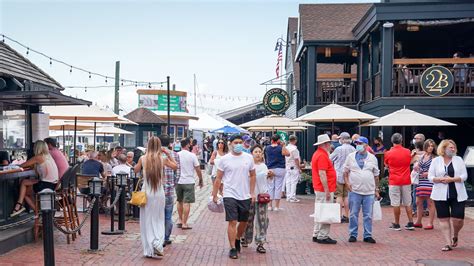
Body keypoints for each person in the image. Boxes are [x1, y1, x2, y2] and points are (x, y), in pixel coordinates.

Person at [212, 134, 256, 259]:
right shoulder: (224, 159)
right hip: (229, 194)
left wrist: (252, 192)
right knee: (232, 221)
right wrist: (215, 194)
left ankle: (237, 238)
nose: (238, 145)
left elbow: (253, 175)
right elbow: (218, 177)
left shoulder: (248, 158)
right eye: (235, 142)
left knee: (244, 221)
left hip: (245, 194)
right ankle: (232, 248)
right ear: (230, 144)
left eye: (240, 142)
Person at [134, 136, 177, 258]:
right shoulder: (162, 159)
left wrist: (139, 161)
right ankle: (158, 242)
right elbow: (175, 166)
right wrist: (168, 154)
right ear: (159, 146)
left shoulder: (143, 158)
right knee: (159, 219)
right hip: (159, 193)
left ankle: (149, 248)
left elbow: (135, 170)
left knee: (146, 220)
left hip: (146, 192)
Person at [428, 139, 468, 251]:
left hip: (457, 193)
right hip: (440, 194)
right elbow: (430, 177)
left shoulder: (458, 160)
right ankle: (448, 243)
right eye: (451, 147)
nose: (453, 149)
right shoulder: (436, 161)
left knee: (458, 219)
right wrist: (438, 179)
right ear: (444, 148)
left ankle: (455, 235)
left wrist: (452, 179)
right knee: (443, 218)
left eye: (454, 147)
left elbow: (464, 176)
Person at [344, 136, 380, 244]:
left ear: (366, 145)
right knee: (353, 213)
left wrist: (376, 189)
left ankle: (367, 235)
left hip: (369, 190)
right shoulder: (350, 157)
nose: (358, 145)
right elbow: (345, 172)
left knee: (368, 214)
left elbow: (376, 175)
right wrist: (347, 183)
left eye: (360, 143)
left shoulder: (372, 158)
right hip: (355, 190)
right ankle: (353, 234)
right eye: (356, 144)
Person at [10, 140, 59, 217]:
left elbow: (22, 165)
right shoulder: (48, 156)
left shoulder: (38, 157)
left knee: (25, 189)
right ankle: (22, 206)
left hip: (45, 185)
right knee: (25, 184)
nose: (33, 149)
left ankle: (22, 206)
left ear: (37, 148)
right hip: (53, 184)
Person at [242, 145, 272, 253]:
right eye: (256, 152)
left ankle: (261, 242)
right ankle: (245, 238)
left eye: (260, 152)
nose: (258, 153)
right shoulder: (248, 166)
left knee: (262, 221)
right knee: (248, 219)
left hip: (262, 197)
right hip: (249, 197)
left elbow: (268, 181)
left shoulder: (264, 166)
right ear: (251, 154)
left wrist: (270, 175)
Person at [384, 133, 415, 231]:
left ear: (392, 141)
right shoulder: (407, 151)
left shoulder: (388, 153)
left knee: (395, 203)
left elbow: (386, 165)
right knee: (408, 202)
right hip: (406, 179)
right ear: (401, 141)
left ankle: (397, 223)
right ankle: (411, 222)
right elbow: (410, 161)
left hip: (394, 180)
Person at [312, 134, 337, 244]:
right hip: (324, 189)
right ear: (325, 144)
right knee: (326, 211)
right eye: (328, 143)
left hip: (320, 188)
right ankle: (323, 235)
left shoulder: (318, 154)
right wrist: (327, 190)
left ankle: (317, 233)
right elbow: (322, 174)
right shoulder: (322, 155)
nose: (330, 145)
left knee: (320, 211)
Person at [176, 138, 203, 230]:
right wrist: (200, 179)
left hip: (178, 181)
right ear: (187, 145)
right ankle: (184, 223)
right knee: (186, 203)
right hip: (189, 181)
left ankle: (180, 220)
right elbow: (197, 168)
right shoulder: (192, 156)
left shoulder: (177, 155)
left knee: (179, 201)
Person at [159, 134, 180, 247]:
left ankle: (158, 236)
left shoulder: (154, 155)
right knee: (168, 216)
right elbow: (178, 172)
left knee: (157, 215)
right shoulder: (174, 155)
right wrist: (173, 184)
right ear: (170, 143)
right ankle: (166, 237)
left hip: (157, 190)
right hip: (169, 190)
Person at [330, 132, 355, 223]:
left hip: (339, 175)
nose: (339, 140)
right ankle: (347, 216)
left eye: (340, 138)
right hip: (350, 176)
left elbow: (330, 159)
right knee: (347, 196)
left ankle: (338, 216)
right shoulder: (353, 149)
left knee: (339, 196)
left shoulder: (338, 149)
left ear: (343, 139)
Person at [413, 139, 437, 230]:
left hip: (430, 181)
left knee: (430, 202)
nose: (430, 147)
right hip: (421, 181)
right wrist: (416, 167)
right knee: (418, 202)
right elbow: (415, 164)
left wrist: (428, 173)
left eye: (432, 146)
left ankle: (430, 223)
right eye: (429, 146)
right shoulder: (422, 156)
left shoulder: (435, 157)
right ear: (425, 146)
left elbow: (437, 170)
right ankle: (419, 221)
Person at [264, 134, 289, 211]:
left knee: (270, 187)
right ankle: (276, 206)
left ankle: (269, 205)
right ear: (278, 140)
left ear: (271, 140)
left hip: (270, 168)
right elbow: (288, 154)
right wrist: (284, 145)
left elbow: (265, 158)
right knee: (278, 187)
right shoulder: (281, 148)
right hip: (280, 168)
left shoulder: (267, 148)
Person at [285, 135, 302, 203]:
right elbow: (296, 160)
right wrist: (299, 168)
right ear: (295, 140)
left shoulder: (286, 148)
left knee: (288, 182)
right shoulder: (295, 149)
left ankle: (288, 196)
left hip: (287, 167)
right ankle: (292, 197)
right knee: (293, 182)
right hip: (294, 167)